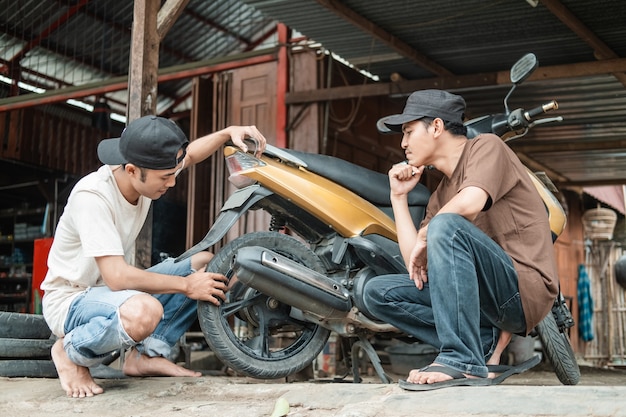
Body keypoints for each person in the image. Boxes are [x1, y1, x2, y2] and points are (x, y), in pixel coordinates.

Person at [41, 115, 267, 398]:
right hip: (70, 300)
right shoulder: (93, 197)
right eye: (165, 177)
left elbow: (192, 154)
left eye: (173, 173)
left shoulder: (151, 169)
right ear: (133, 170)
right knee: (146, 311)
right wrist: (186, 286)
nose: (172, 183)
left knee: (205, 264)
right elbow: (116, 276)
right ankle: (69, 351)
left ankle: (146, 355)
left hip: (106, 294)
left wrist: (226, 132)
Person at [363, 89, 558, 390]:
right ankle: (481, 341)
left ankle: (460, 359)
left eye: (409, 131)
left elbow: (471, 201)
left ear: (437, 127)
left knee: (445, 225)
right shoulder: (441, 196)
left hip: (521, 291)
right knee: (376, 292)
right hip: (482, 299)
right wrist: (398, 197)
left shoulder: (486, 147)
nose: (402, 143)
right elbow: (415, 267)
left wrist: (429, 232)